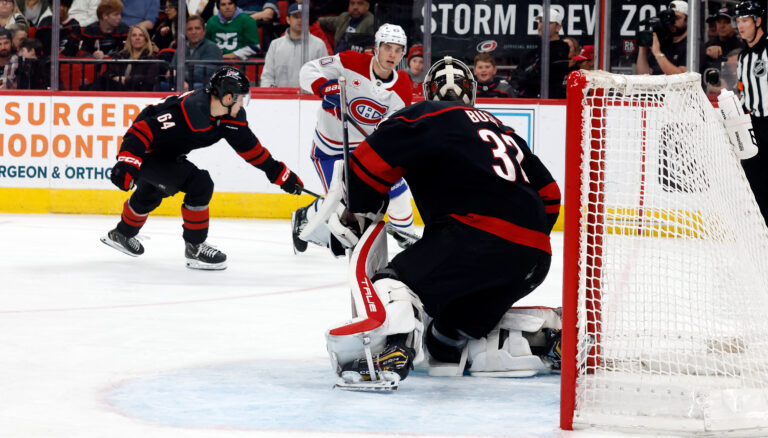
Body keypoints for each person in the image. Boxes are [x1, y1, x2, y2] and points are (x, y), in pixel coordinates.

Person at [323, 57, 561, 386]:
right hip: (535, 255)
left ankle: (392, 349)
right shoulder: (503, 129)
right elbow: (551, 195)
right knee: (443, 339)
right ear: (471, 91)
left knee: (392, 283)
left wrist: (359, 210)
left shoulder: (424, 115)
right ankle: (531, 337)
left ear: (428, 91)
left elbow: (362, 169)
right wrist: (517, 244)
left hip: (472, 239)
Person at [101, 66, 304, 270]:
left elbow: (252, 150)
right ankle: (195, 247)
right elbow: (141, 130)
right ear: (227, 98)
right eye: (241, 98)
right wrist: (128, 162)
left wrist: (281, 175)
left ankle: (122, 234)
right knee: (200, 184)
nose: (243, 104)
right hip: (146, 152)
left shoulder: (230, 118)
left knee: (151, 191)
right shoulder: (189, 111)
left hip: (166, 153)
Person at [292, 23, 417, 255]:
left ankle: (407, 236)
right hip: (329, 150)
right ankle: (304, 216)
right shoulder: (350, 62)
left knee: (398, 191)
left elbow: (393, 125)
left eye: (398, 49)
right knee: (341, 204)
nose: (392, 54)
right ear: (376, 48)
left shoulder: (402, 86)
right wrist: (322, 87)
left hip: (365, 151)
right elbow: (307, 71)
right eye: (387, 47)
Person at [735, 1, 768, 225]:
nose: (740, 26)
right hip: (754, 125)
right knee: (755, 180)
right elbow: (743, 91)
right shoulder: (743, 57)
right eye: (738, 21)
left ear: (758, 21)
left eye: (745, 20)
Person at [260, 2, 327, 87]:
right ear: (288, 19)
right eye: (296, 16)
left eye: (303, 17)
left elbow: (325, 75)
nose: (300, 20)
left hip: (310, 98)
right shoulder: (275, 45)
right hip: (280, 98)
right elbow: (267, 77)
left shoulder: (319, 45)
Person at [514, 7, 570, 98]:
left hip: (550, 102)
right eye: (540, 21)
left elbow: (543, 78)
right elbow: (515, 77)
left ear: (558, 27)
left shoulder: (560, 51)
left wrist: (525, 78)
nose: (542, 25)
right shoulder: (531, 52)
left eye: (548, 23)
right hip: (528, 101)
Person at [96, 24, 159, 91]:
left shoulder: (151, 57)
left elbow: (150, 78)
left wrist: (126, 79)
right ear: (130, 39)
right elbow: (108, 73)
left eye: (141, 35)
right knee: (100, 80)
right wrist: (114, 77)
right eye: (134, 35)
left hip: (138, 89)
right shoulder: (121, 55)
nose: (137, 38)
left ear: (145, 39)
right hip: (119, 87)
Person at [171, 15, 223, 91]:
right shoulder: (181, 48)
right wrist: (180, 81)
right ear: (185, 32)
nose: (193, 32)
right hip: (184, 84)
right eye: (190, 29)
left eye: (197, 28)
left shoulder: (212, 48)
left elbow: (204, 74)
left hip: (206, 88)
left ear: (204, 31)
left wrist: (179, 76)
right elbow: (171, 71)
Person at [637, 1, 688, 75]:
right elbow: (643, 75)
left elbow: (681, 77)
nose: (672, 22)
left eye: (676, 18)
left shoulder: (692, 47)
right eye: (669, 18)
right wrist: (643, 49)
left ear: (688, 21)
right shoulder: (663, 42)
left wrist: (658, 53)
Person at [702, 5, 741, 73]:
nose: (722, 26)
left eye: (726, 22)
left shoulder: (740, 46)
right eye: (719, 22)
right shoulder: (708, 44)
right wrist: (705, 52)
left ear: (735, 24)